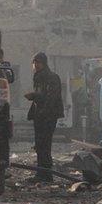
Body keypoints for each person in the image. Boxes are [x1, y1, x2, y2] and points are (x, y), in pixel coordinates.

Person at [24, 52, 64, 182]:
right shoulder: (38, 77)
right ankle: (42, 173)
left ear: (44, 63)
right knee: (40, 144)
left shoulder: (52, 77)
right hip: (40, 115)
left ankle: (45, 174)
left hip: (48, 115)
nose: (35, 65)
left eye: (38, 62)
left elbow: (51, 97)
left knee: (44, 144)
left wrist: (35, 96)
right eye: (34, 62)